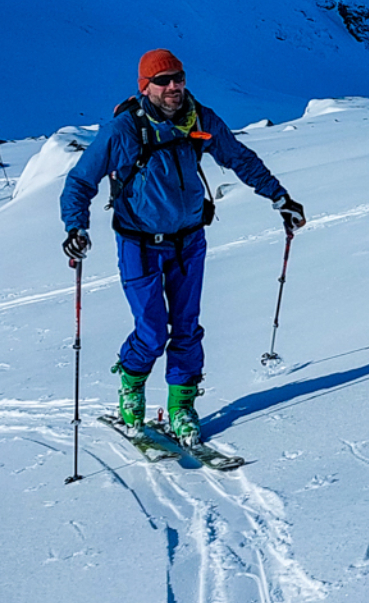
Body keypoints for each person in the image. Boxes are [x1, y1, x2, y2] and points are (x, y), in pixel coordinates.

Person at [59, 49, 306, 444]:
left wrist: (280, 197)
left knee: (187, 327)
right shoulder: (123, 130)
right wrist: (76, 227)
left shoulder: (200, 119)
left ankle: (182, 406)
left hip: (189, 241)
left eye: (179, 77)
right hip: (139, 243)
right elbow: (80, 183)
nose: (174, 86)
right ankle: (131, 380)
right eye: (163, 80)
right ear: (145, 86)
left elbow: (239, 158)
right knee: (153, 330)